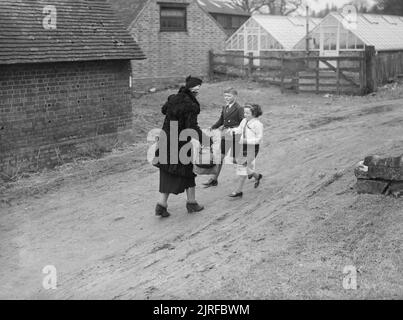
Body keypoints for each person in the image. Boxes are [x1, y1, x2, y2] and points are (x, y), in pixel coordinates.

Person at [154, 76, 211, 218]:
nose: (198, 92)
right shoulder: (191, 105)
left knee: (167, 172)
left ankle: (161, 205)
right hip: (180, 143)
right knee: (188, 172)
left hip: (166, 139)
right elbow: (191, 127)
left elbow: (163, 110)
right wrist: (206, 140)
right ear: (194, 89)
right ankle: (191, 203)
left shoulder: (173, 98)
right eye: (197, 89)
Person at [203, 88, 244, 188]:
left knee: (235, 159)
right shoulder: (225, 107)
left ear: (235, 96)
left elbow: (243, 122)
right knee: (220, 158)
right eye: (225, 96)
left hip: (236, 136)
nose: (226, 98)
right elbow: (221, 120)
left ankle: (252, 174)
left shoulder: (239, 108)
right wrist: (213, 127)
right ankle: (214, 179)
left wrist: (236, 130)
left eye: (229, 96)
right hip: (226, 135)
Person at [228, 104, 263, 198]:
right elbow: (240, 129)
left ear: (254, 113)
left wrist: (246, 141)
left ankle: (238, 191)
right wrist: (232, 130)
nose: (245, 114)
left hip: (252, 148)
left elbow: (259, 139)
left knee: (243, 169)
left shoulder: (258, 124)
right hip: (243, 146)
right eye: (244, 112)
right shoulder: (244, 121)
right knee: (244, 167)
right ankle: (257, 176)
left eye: (247, 113)